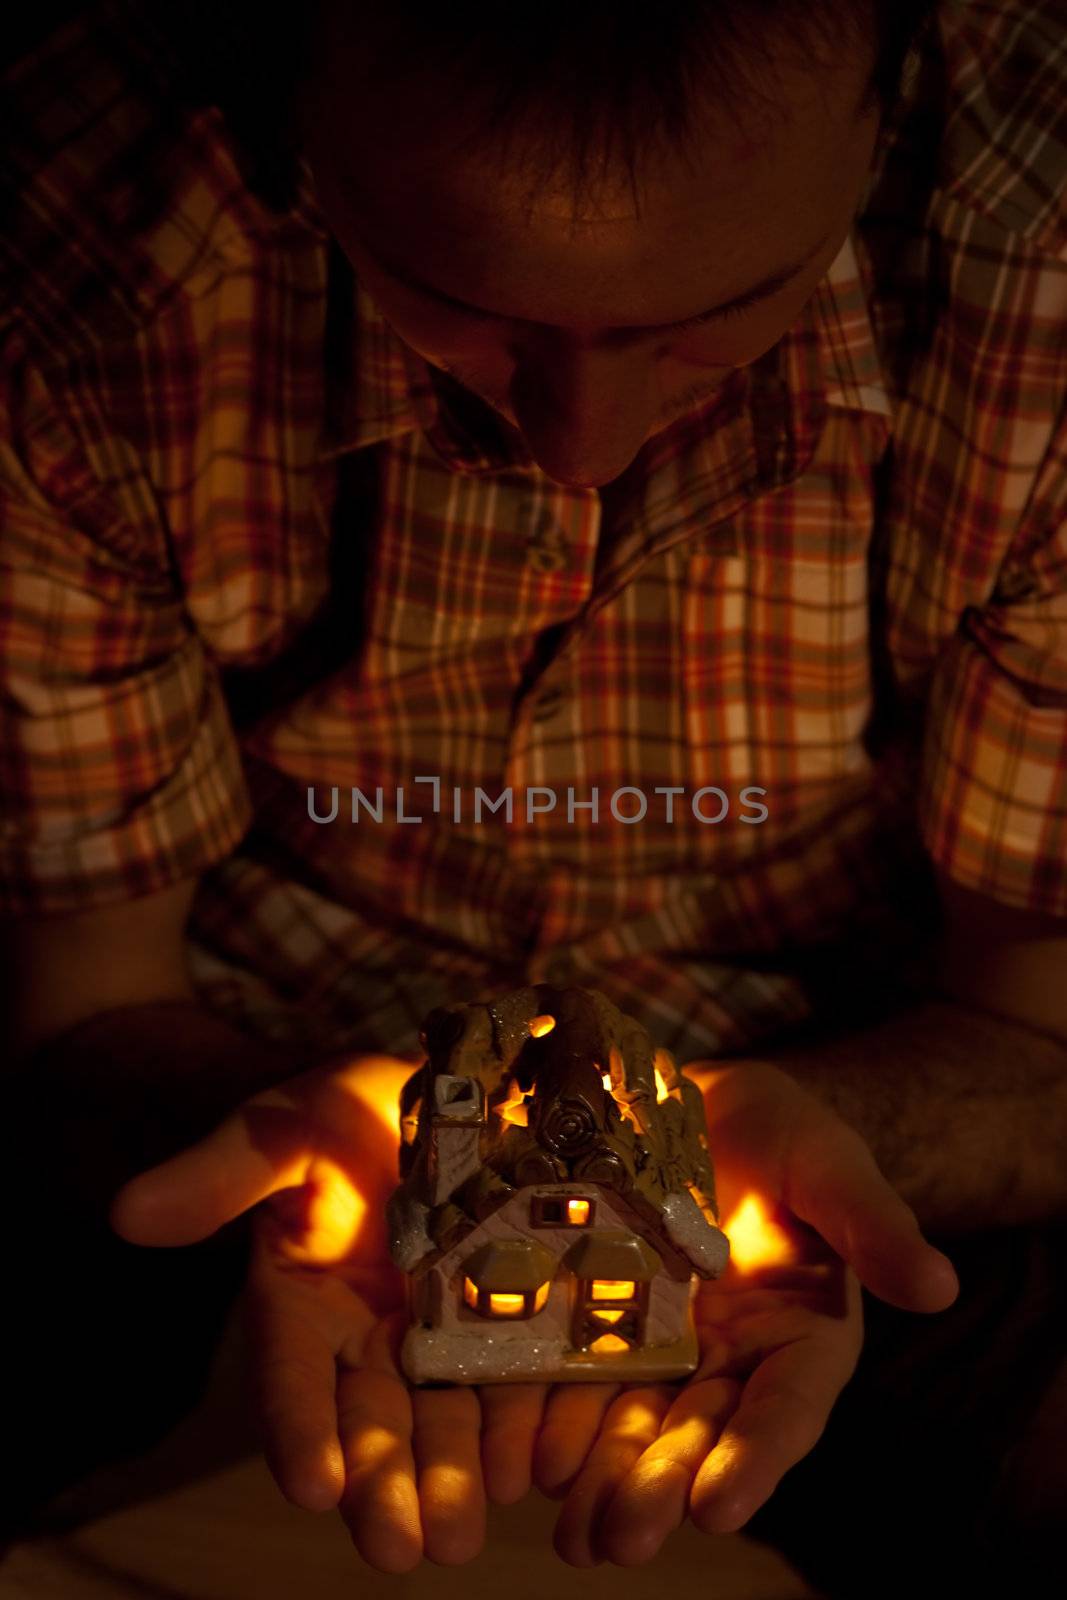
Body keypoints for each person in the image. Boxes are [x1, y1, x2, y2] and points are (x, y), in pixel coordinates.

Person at [2, 0, 1065, 1590]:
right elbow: (83, 1002)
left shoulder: (1043, 271)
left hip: (852, 1073)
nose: (585, 444)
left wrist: (685, 1163)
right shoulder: (73, 266)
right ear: (287, 119)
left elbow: (1042, 1041)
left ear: (891, 94)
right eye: (459, 305)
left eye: (722, 313)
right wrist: (373, 1154)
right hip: (257, 1054)